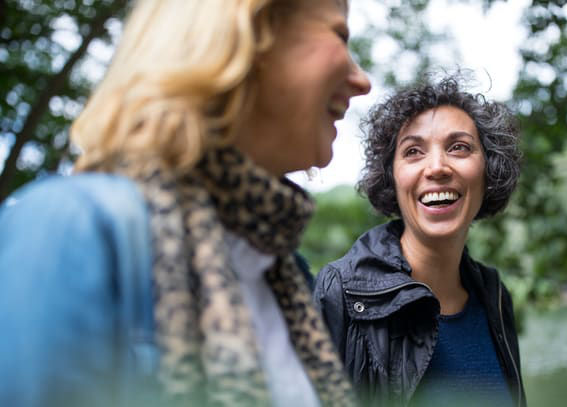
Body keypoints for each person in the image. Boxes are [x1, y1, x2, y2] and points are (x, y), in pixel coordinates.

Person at [0, 0, 370, 406]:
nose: (362, 80)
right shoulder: (72, 228)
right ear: (247, 34)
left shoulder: (286, 276)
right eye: (339, 34)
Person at [313, 75, 526, 407]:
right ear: (392, 179)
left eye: (459, 147)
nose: (437, 167)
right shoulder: (339, 293)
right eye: (413, 151)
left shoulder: (495, 295)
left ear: (488, 171)